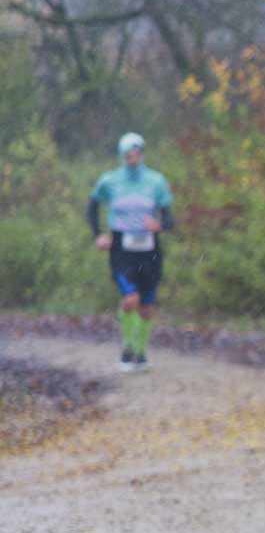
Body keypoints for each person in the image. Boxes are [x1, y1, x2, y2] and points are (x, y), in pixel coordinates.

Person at [87, 132, 175, 372]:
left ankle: (141, 351)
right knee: (130, 300)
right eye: (128, 153)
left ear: (142, 153)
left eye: (136, 152)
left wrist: (160, 225)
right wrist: (98, 234)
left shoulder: (156, 181)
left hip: (150, 250)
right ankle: (127, 349)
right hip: (122, 249)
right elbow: (92, 207)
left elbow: (169, 218)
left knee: (146, 308)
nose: (132, 157)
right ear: (122, 155)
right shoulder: (110, 181)